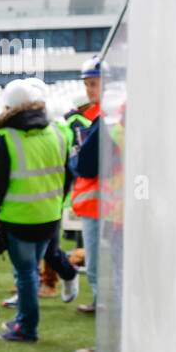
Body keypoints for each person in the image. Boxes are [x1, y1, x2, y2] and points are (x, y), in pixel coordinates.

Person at [0, 79, 71, 343]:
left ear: (7, 108)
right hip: (49, 216)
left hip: (19, 219)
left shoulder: (4, 139)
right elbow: (67, 175)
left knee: (26, 274)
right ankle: (24, 321)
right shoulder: (57, 132)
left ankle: (27, 328)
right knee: (31, 272)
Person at [66, 58, 106, 316]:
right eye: (87, 84)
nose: (89, 89)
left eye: (94, 84)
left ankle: (103, 312)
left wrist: (75, 160)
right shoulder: (96, 118)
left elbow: (86, 165)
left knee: (97, 267)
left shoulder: (102, 120)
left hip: (100, 203)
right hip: (100, 202)